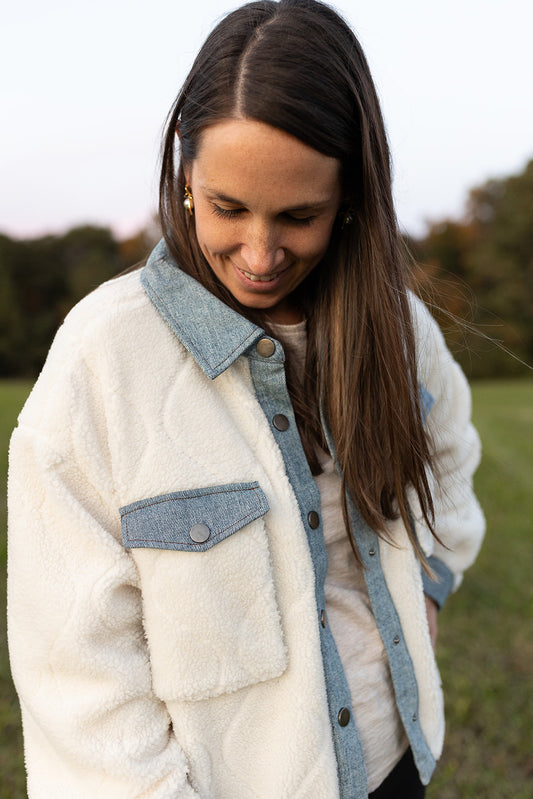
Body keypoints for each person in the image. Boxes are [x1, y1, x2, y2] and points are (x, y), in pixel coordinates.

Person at [7, 1, 485, 797]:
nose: (259, 255)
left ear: (350, 199)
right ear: (186, 174)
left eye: (299, 216)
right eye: (228, 207)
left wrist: (429, 583)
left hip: (394, 757)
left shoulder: (394, 324)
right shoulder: (101, 357)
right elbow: (75, 668)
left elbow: (451, 448)